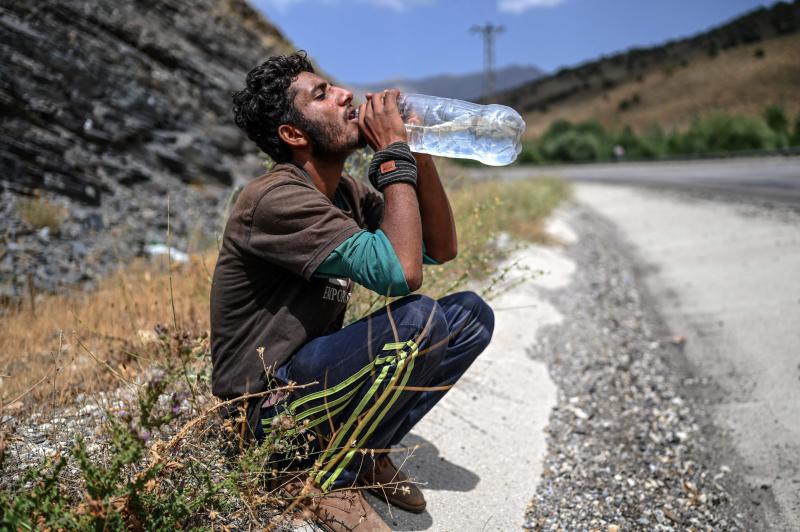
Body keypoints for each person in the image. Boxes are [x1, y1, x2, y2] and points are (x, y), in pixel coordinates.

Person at [210, 51, 494, 531]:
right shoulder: (275, 199)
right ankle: (328, 479)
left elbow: (440, 249)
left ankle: (368, 451)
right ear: (294, 135)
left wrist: (415, 148)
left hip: (316, 376)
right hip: (266, 409)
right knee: (418, 319)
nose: (346, 95)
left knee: (470, 315)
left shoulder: (345, 194)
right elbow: (402, 276)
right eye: (322, 94)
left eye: (334, 86)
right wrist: (391, 156)